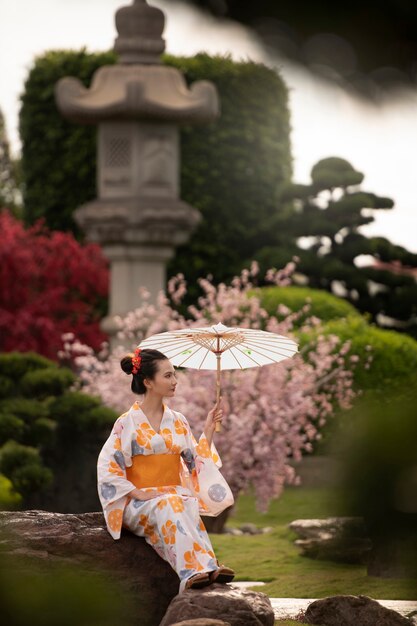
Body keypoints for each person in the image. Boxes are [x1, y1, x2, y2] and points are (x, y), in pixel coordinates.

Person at [97, 347, 235, 592]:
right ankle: (194, 571)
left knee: (181, 502)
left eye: (174, 375)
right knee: (170, 503)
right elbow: (108, 467)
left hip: (172, 496)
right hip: (138, 503)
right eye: (168, 376)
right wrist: (136, 493)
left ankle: (207, 568)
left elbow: (195, 463)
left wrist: (209, 429)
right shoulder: (126, 423)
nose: (175, 381)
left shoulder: (178, 420)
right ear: (148, 381)